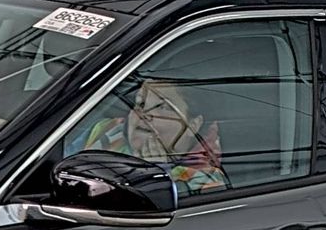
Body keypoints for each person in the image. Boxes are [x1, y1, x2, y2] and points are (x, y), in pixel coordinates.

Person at [74, 77, 228, 196]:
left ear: (193, 124)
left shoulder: (206, 180)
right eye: (140, 104)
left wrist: (154, 176)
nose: (144, 114)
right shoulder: (107, 130)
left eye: (163, 107)